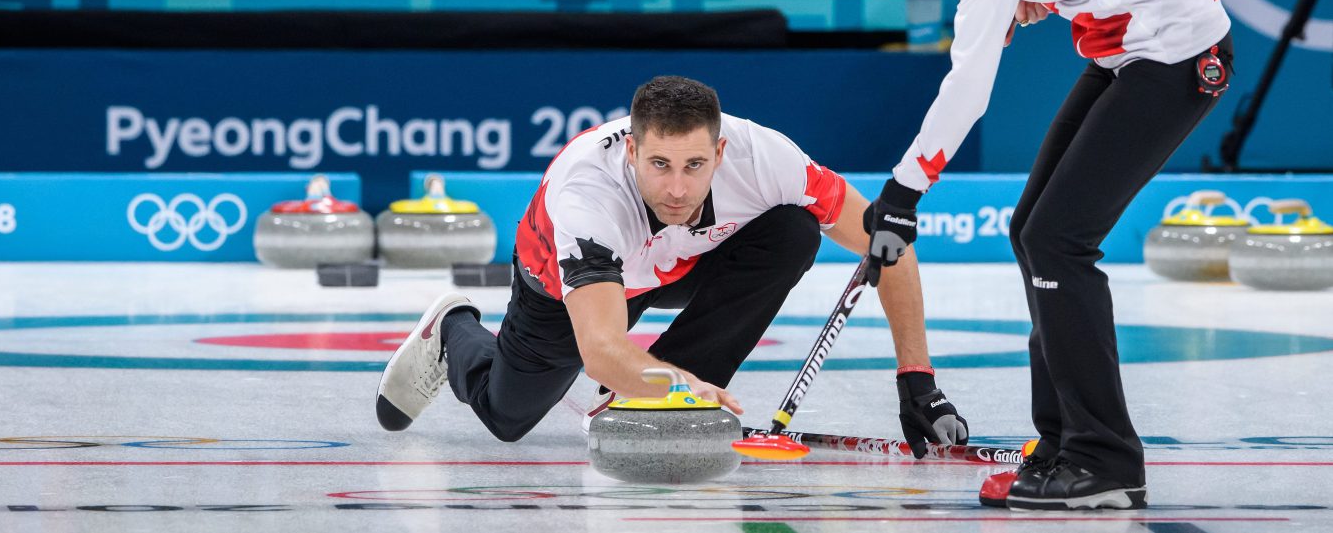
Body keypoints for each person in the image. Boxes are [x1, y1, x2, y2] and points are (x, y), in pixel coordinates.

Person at [836, 0, 1232, 512]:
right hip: (1135, 44)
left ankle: (1105, 456)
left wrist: (903, 188)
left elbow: (971, 80)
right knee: (1033, 230)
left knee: (1059, 240)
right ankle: (1060, 445)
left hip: (1179, 50)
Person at [376, 75, 967, 456]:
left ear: (721, 151)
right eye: (659, 164)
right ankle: (455, 330)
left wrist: (918, 379)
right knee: (506, 416)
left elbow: (886, 244)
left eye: (694, 165)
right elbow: (601, 348)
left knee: (792, 229)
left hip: (683, 264)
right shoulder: (587, 196)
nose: (677, 188)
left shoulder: (767, 158)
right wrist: (678, 385)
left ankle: (652, 398)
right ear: (631, 150)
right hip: (565, 289)